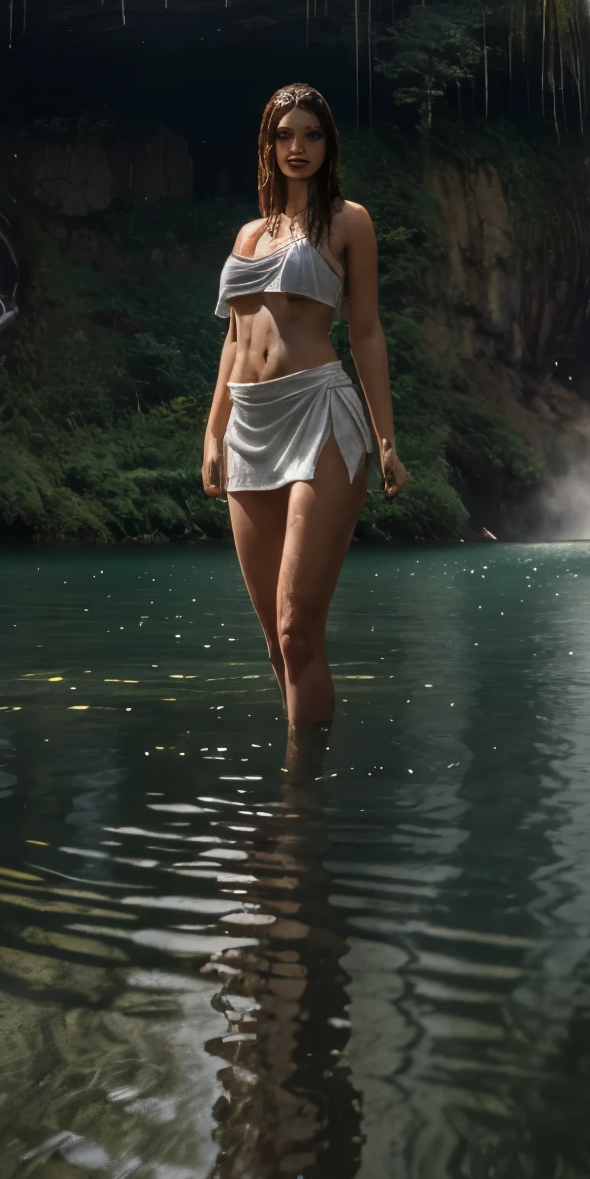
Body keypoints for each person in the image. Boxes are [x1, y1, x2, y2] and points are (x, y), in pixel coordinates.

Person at [204, 84, 405, 726]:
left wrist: (388, 439)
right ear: (268, 145)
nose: (298, 147)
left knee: (297, 631)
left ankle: (305, 811)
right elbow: (234, 340)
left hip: (320, 414)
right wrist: (213, 434)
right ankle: (297, 805)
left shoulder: (350, 222)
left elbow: (366, 331)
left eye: (311, 135)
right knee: (275, 644)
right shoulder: (249, 234)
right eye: (285, 135)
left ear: (329, 144)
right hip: (248, 426)